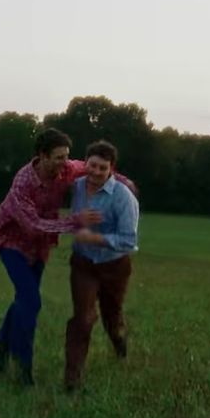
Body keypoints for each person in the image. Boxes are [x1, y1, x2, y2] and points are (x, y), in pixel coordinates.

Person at [0, 128, 130, 386]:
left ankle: (2, 341)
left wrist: (123, 182)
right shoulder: (23, 182)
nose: (64, 162)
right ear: (42, 156)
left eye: (66, 156)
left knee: (24, 298)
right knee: (31, 301)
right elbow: (33, 224)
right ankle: (24, 369)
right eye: (58, 157)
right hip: (13, 242)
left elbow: (94, 168)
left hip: (40, 246)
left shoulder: (66, 168)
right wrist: (75, 222)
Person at [64, 140, 139, 392]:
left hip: (114, 266)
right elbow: (71, 221)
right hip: (83, 264)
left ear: (111, 169)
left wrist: (95, 238)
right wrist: (77, 225)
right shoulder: (76, 187)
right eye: (92, 166)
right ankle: (72, 380)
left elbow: (129, 240)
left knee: (112, 317)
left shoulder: (123, 197)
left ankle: (120, 345)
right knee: (83, 318)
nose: (96, 172)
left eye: (102, 168)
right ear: (85, 163)